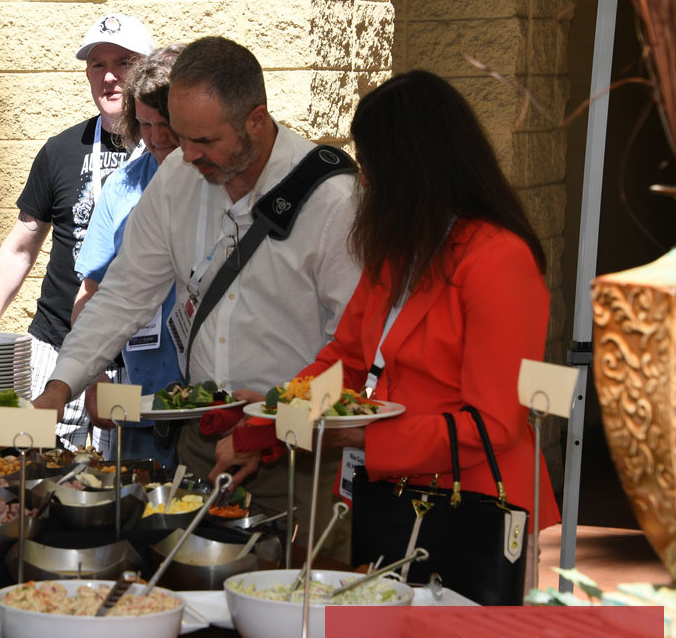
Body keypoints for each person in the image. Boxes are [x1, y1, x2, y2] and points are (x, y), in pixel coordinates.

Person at [35, 36, 361, 540]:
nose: (187, 155)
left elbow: (356, 351)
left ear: (256, 120)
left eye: (204, 141)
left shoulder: (333, 201)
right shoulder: (175, 177)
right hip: (201, 445)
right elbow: (123, 295)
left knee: (292, 600)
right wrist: (60, 388)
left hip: (299, 453)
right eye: (178, 136)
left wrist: (273, 423)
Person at [213, 69, 560, 534]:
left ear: (416, 168)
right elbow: (347, 363)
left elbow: (493, 426)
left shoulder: (498, 260)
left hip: (474, 510)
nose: (366, 183)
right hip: (390, 500)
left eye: (371, 166)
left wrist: (364, 434)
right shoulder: (401, 251)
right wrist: (274, 418)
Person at [0, 13, 153, 450]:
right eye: (97, 65)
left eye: (124, 63)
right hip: (55, 347)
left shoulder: (168, 153)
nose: (109, 77)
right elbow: (20, 247)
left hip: (136, 356)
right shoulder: (59, 150)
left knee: (120, 479)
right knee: (28, 464)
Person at [72, 44, 184, 467]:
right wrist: (93, 376)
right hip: (140, 407)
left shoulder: (222, 183)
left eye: (166, 124)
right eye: (145, 124)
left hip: (213, 407)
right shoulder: (123, 187)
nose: (156, 138)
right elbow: (90, 293)